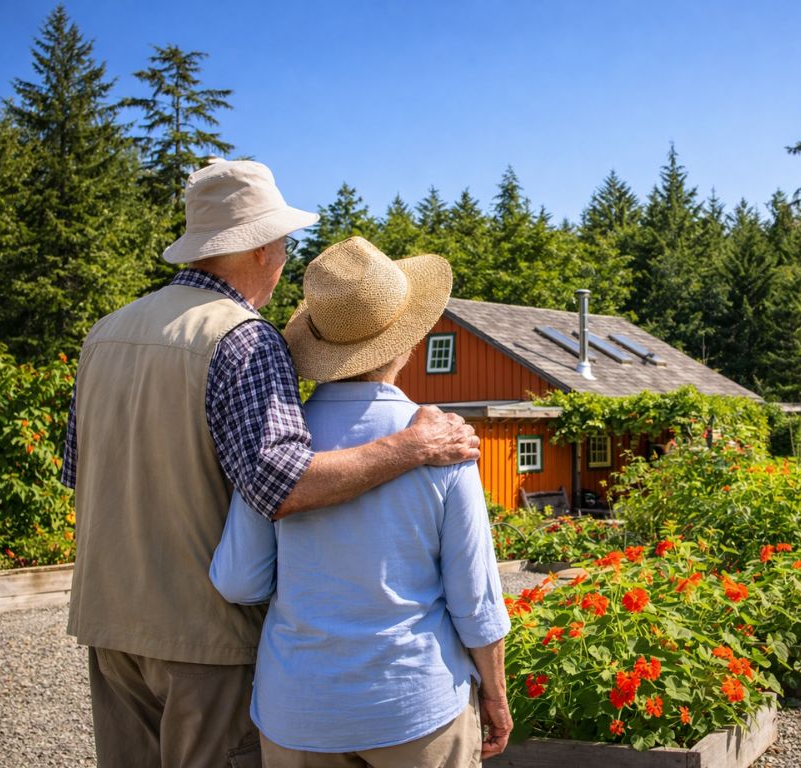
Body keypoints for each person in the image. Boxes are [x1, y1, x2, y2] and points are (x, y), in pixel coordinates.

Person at [61, 161, 479, 767]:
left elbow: (81, 473)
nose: (285, 256)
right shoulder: (245, 339)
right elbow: (281, 485)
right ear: (258, 249)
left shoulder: (105, 334)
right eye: (282, 241)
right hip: (202, 636)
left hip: (108, 624)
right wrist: (414, 447)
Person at [210, 236, 513, 766]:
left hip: (298, 710)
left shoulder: (279, 443)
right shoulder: (442, 439)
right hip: (414, 703)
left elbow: (240, 580)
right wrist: (495, 695)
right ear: (407, 342)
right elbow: (476, 600)